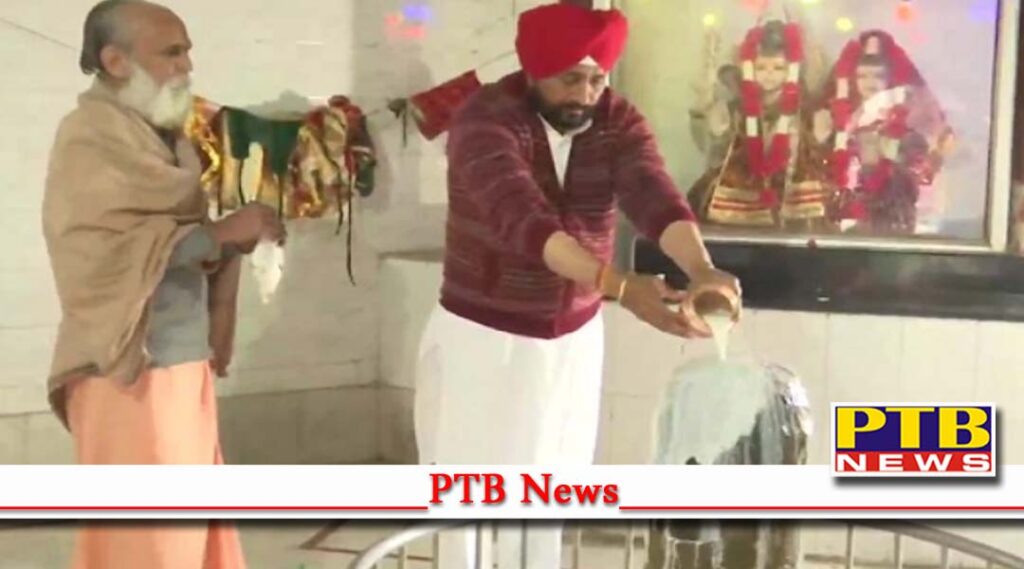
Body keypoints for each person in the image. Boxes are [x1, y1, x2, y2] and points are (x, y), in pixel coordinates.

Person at [412, 3, 742, 568]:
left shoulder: (615, 119)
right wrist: (618, 284)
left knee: (552, 494)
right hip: (483, 342)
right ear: (534, 69)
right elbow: (524, 223)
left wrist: (702, 268)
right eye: (571, 78)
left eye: (597, 78)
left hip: (571, 343)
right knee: (468, 504)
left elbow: (653, 194)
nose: (586, 93)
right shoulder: (483, 121)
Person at [42, 1, 284, 567]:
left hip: (176, 363)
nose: (187, 66)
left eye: (187, 51)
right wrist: (221, 233)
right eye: (172, 52)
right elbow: (105, 252)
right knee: (151, 543)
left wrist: (228, 236)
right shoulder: (90, 136)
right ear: (116, 60)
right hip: (129, 369)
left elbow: (172, 236)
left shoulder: (153, 133)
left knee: (187, 536)